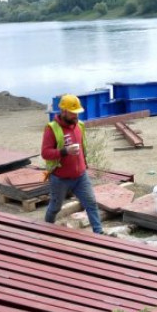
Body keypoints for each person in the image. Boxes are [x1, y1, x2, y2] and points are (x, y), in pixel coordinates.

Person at [41, 94, 104, 234]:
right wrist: (64, 151)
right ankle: (46, 231)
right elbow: (45, 153)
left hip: (80, 176)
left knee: (91, 204)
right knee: (55, 208)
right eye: (73, 113)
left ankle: (99, 234)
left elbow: (83, 148)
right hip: (59, 179)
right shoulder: (52, 129)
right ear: (63, 111)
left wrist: (84, 164)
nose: (76, 115)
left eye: (77, 112)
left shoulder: (80, 125)